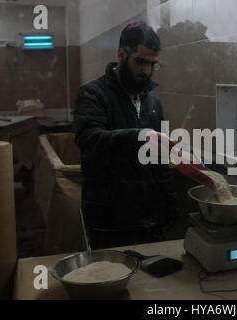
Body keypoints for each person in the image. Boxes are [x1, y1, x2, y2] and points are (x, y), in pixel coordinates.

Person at [73, 21, 179, 249]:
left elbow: (160, 160)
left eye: (153, 64)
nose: (147, 71)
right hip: (111, 219)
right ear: (121, 54)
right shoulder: (92, 94)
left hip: (149, 217)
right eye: (140, 62)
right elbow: (90, 139)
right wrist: (139, 136)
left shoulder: (152, 101)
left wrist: (170, 206)